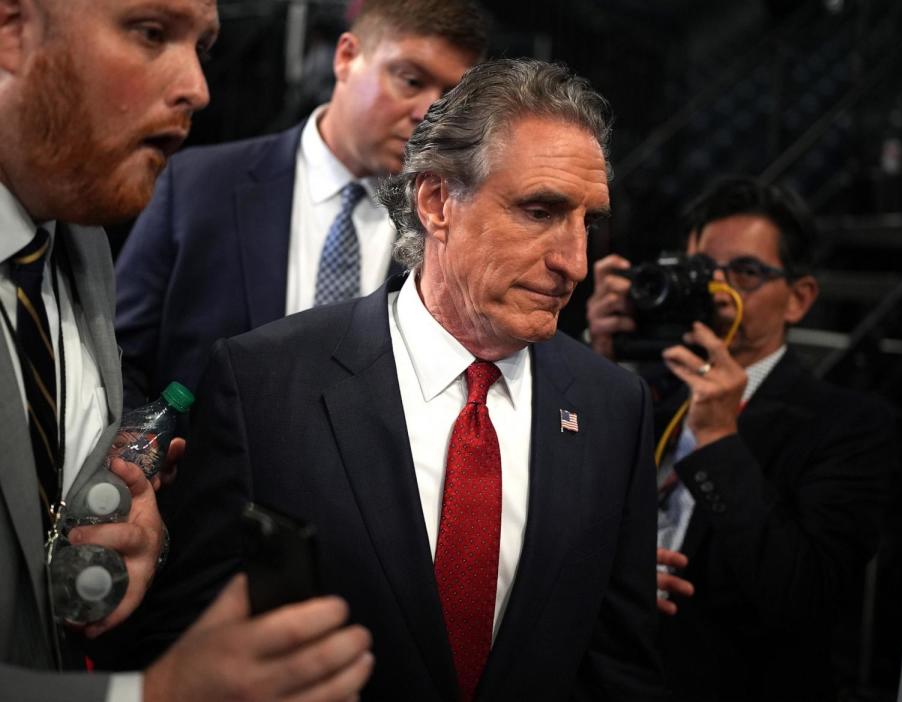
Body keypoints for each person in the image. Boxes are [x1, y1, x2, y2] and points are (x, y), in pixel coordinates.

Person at [125, 58, 668, 700]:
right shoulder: (264, 383)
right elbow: (187, 644)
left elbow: (620, 669)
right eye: (540, 210)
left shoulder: (615, 408)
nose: (573, 262)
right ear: (437, 201)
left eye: (589, 222)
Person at [0, 1, 372, 700]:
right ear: (11, 30)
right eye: (150, 33)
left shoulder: (80, 242)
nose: (198, 87)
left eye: (201, 44)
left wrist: (135, 538)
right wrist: (154, 696)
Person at [587, 176, 895, 701]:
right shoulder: (637, 386)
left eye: (745, 272)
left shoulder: (849, 425)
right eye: (703, 269)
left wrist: (717, 439)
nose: (716, 288)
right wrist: (595, 361)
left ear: (799, 299)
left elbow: (804, 595)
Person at [114, 0, 487, 410]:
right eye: (411, 81)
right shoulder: (196, 187)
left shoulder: (452, 226)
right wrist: (137, 451)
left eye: (450, 99)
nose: (428, 114)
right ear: (346, 57)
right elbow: (116, 355)